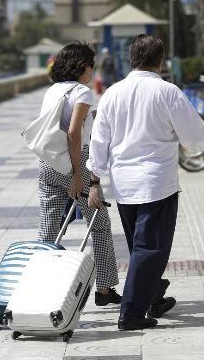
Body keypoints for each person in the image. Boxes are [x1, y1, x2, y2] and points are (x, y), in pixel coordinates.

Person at [87, 34, 204, 330]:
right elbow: (195, 139)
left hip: (123, 185)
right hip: (157, 183)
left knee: (140, 247)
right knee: (150, 250)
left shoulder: (112, 94)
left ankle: (153, 295)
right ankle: (131, 314)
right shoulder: (167, 92)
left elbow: (99, 141)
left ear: (131, 58)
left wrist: (95, 180)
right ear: (161, 61)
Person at [36, 43, 121, 306]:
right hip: (76, 162)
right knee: (100, 225)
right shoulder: (82, 92)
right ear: (82, 66)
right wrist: (77, 174)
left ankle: (39, 287)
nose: (92, 71)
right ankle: (105, 289)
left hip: (48, 163)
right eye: (91, 65)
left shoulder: (52, 91)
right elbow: (73, 133)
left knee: (48, 229)